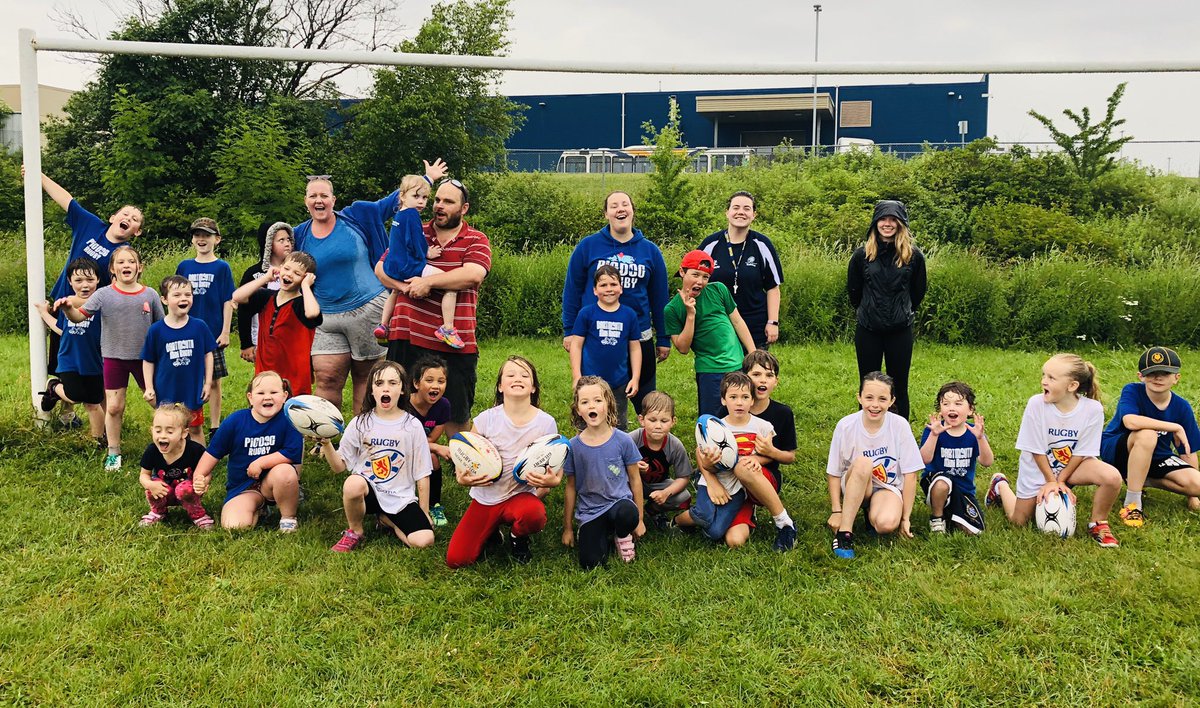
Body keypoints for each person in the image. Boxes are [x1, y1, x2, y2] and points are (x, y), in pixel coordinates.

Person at [294, 161, 445, 415]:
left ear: (333, 199)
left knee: (367, 377)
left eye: (324, 195)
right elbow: (279, 256)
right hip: (325, 317)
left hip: (367, 308)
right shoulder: (299, 234)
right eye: (313, 196)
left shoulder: (357, 215)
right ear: (306, 201)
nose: (319, 200)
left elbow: (399, 198)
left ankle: (363, 432)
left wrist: (427, 178)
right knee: (326, 378)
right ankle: (326, 434)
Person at [380, 177, 489, 440]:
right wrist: (405, 287)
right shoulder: (415, 228)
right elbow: (381, 268)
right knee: (397, 409)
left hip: (452, 345)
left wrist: (428, 282)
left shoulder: (475, 239)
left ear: (464, 208)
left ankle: (459, 459)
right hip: (407, 336)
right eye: (437, 199)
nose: (439, 205)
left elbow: (473, 274)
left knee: (456, 416)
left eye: (448, 201)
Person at [986, 354, 1122, 548]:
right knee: (1019, 521)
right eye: (1044, 375)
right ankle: (1000, 486)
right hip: (1038, 467)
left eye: (1051, 378)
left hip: (1074, 466)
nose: (1044, 381)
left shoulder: (1093, 409)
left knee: (1112, 477)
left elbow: (1082, 452)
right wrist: (1051, 480)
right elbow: (1036, 450)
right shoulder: (1036, 404)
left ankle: (1098, 523)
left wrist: (1061, 480)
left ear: (1072, 386)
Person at [561, 191, 670, 418]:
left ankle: (646, 439)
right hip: (598, 336)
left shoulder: (650, 251)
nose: (620, 209)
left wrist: (664, 338)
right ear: (606, 214)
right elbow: (572, 290)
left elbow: (659, 298)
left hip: (639, 337)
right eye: (613, 205)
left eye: (625, 204)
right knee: (597, 401)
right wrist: (570, 330)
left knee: (646, 403)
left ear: (632, 210)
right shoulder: (588, 246)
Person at [446, 356, 562, 568]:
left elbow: (555, 468)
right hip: (487, 498)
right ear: (500, 386)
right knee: (457, 559)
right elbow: (468, 457)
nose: (517, 378)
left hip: (520, 496)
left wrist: (551, 482)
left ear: (533, 387)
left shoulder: (545, 423)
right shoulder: (486, 419)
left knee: (533, 514)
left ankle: (518, 537)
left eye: (524, 375)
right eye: (510, 375)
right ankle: (492, 531)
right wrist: (463, 478)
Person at [57, 246, 163, 472]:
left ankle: (169, 447)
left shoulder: (150, 294)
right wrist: (67, 309)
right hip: (114, 359)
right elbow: (78, 317)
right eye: (121, 262)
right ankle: (114, 452)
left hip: (145, 360)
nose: (126, 265)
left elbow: (161, 328)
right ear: (112, 269)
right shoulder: (103, 294)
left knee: (159, 403)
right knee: (114, 407)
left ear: (140, 267)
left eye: (131, 261)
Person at [32, 169, 143, 380]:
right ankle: (60, 398)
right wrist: (38, 176)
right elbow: (66, 199)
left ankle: (74, 395)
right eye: (125, 214)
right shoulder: (90, 225)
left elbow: (121, 290)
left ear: (136, 231)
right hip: (62, 302)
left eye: (135, 219)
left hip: (91, 313)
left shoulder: (125, 255)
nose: (128, 218)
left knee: (89, 369)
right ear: (113, 217)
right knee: (61, 365)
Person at [673, 373, 797, 552]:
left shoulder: (763, 426)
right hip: (715, 481)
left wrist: (756, 459)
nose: (739, 403)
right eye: (733, 397)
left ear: (752, 400)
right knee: (703, 515)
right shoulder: (717, 427)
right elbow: (702, 455)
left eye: (745, 397)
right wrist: (709, 466)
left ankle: (757, 518)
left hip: (738, 488)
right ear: (723, 400)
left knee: (720, 535)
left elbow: (770, 454)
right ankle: (677, 521)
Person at [320, 360, 435, 552]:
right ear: (372, 390)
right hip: (369, 493)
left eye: (392, 383)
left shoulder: (412, 426)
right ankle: (355, 531)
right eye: (379, 383)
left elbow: (422, 473)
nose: (385, 388)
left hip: (400, 498)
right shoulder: (360, 423)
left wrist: (424, 512)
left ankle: (387, 519)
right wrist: (326, 444)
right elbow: (339, 467)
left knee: (424, 541)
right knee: (353, 484)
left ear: (403, 389)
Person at [827, 371, 925, 560]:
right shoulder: (845, 425)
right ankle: (845, 534)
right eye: (869, 397)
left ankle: (871, 514)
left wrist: (905, 518)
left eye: (882, 399)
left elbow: (911, 474)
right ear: (859, 397)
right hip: (856, 482)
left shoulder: (900, 425)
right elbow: (834, 472)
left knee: (886, 524)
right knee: (864, 463)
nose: (875, 405)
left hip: (886, 487)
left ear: (891, 401)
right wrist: (836, 510)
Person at [1099, 346, 1200, 526]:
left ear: (1176, 378)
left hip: (1157, 456)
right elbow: (1130, 421)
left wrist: (1192, 496)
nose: (1158, 378)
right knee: (1147, 435)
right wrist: (1174, 427)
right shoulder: (1132, 391)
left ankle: (1144, 478)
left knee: (1197, 484)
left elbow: (1187, 450)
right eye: (1152, 373)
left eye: (1165, 373)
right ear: (1141, 376)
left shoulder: (1182, 406)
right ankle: (1133, 504)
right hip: (1118, 451)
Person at [193, 371, 304, 532]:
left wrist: (261, 462)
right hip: (243, 486)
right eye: (261, 393)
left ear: (284, 396)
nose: (267, 397)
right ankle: (259, 507)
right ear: (250, 397)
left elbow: (292, 452)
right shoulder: (235, 421)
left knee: (285, 472)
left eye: (274, 392)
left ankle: (288, 518)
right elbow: (213, 453)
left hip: (274, 481)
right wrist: (200, 476)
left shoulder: (290, 420)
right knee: (234, 527)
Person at [847, 200, 927, 420]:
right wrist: (869, 310)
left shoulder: (914, 256)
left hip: (900, 330)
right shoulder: (861, 255)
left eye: (893, 219)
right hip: (868, 329)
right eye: (883, 219)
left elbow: (918, 292)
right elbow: (854, 291)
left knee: (899, 384)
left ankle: (900, 431)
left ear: (901, 224)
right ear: (875, 222)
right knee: (868, 383)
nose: (888, 224)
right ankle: (865, 429)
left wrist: (901, 311)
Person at [562, 376, 645, 568]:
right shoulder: (573, 447)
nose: (592, 405)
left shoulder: (623, 440)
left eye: (598, 400)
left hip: (619, 504)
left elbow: (635, 479)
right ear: (578, 409)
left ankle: (622, 535)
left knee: (627, 513)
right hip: (591, 512)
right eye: (585, 402)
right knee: (591, 563)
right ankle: (599, 533)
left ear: (608, 404)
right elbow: (571, 487)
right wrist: (567, 528)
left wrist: (639, 520)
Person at [374, 175, 464, 349]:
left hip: (393, 267)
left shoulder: (398, 216)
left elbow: (396, 244)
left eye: (425, 197)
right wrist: (427, 253)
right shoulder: (412, 215)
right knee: (451, 286)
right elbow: (415, 240)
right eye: (416, 196)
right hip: (411, 267)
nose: (421, 202)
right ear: (402, 196)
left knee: (394, 291)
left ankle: (383, 325)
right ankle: (447, 328)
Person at [664, 250, 756, 417]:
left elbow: (738, 322)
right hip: (709, 370)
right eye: (695, 275)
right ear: (682, 272)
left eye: (705, 277)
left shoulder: (719, 290)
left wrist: (753, 354)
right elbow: (683, 348)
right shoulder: (672, 309)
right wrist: (690, 315)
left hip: (737, 365)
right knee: (712, 418)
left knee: (740, 413)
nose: (700, 281)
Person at [698, 191, 784, 349]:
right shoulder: (710, 244)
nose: (741, 212)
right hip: (718, 325)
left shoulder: (762, 244)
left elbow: (773, 288)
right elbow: (694, 282)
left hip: (755, 327)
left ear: (754, 215)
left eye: (747, 208)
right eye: (736, 207)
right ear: (727, 212)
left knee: (754, 365)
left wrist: (773, 322)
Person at [231, 252, 322, 395]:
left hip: (295, 378)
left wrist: (306, 286)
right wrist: (265, 278)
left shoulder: (302, 304)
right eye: (286, 268)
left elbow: (312, 313)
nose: (289, 274)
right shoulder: (266, 297)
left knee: (292, 407)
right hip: (265, 373)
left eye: (297, 273)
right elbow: (237, 296)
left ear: (305, 278)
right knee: (265, 404)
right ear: (280, 268)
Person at [36, 257, 104, 444]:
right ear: (70, 281)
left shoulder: (102, 304)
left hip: (94, 362)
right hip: (69, 360)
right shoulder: (66, 304)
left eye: (90, 279)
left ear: (98, 280)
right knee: (74, 396)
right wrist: (43, 313)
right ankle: (54, 387)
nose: (85, 285)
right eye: (78, 280)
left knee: (94, 403)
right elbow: (60, 329)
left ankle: (98, 440)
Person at [141, 276, 216, 444]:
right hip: (166, 392)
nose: (184, 298)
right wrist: (149, 387)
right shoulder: (156, 330)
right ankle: (169, 459)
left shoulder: (199, 326)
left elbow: (208, 354)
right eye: (177, 295)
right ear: (164, 300)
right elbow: (148, 360)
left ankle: (199, 460)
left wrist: (208, 383)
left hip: (192, 390)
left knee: (195, 429)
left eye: (188, 294)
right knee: (168, 430)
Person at [176, 218, 234, 431]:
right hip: (187, 330)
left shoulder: (222, 267)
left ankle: (215, 425)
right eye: (197, 235)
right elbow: (175, 296)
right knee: (187, 376)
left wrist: (225, 331)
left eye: (206, 235)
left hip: (212, 332)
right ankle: (185, 420)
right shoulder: (184, 266)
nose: (201, 239)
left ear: (217, 239)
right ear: (192, 239)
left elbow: (228, 300)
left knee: (215, 379)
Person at [568, 264, 642, 430]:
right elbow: (576, 345)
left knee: (618, 424)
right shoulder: (586, 313)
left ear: (621, 288)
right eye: (603, 285)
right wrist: (576, 376)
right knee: (586, 424)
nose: (609, 289)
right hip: (589, 382)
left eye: (613, 284)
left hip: (619, 382)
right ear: (595, 290)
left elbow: (635, 348)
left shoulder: (629, 315)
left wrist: (635, 378)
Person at [918, 381, 993, 535]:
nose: (951, 408)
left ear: (970, 409)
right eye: (946, 404)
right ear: (940, 408)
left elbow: (987, 462)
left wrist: (980, 438)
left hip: (963, 489)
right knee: (943, 482)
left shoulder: (973, 433)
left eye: (958, 404)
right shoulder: (934, 430)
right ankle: (937, 517)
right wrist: (934, 435)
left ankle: (950, 512)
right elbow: (923, 460)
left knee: (974, 531)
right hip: (936, 482)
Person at [137, 404, 214, 529]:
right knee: (152, 486)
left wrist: (203, 481)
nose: (162, 435)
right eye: (158, 431)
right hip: (163, 490)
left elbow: (207, 472)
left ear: (184, 433)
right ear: (152, 430)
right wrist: (149, 484)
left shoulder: (195, 450)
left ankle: (198, 514)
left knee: (184, 489)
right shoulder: (152, 450)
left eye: (170, 431)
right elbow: (144, 475)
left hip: (187, 491)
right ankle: (158, 511)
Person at [628, 391, 692, 529]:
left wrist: (665, 493)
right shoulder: (630, 439)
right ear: (641, 420)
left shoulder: (675, 445)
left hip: (658, 484)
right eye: (652, 420)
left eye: (664, 421)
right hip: (631, 482)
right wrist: (632, 467)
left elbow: (684, 478)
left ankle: (652, 510)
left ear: (673, 421)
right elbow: (613, 466)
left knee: (683, 497)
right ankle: (629, 515)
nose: (658, 426)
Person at [238, 221, 294, 363]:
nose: (287, 243)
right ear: (268, 244)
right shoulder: (254, 274)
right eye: (281, 240)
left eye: (289, 239)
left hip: (291, 338)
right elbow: (244, 309)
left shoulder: (296, 273)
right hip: (261, 339)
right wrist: (246, 343)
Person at [407, 356, 453, 528]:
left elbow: (432, 438)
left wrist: (431, 446)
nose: (436, 386)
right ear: (416, 383)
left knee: (431, 458)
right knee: (433, 454)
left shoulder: (443, 406)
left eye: (441, 381)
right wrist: (436, 448)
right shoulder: (404, 405)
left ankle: (434, 504)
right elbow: (403, 441)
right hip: (397, 449)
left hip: (420, 447)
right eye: (429, 380)